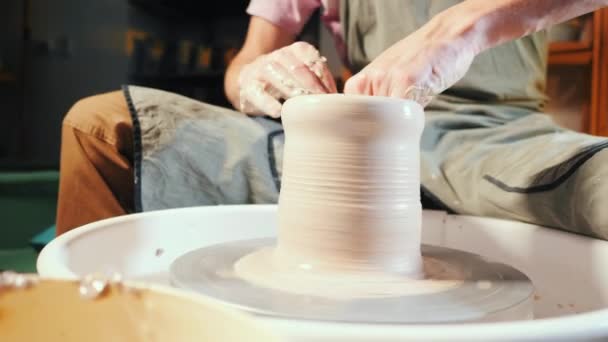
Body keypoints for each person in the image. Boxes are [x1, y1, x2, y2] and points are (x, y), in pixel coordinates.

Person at [56, 0, 608, 239]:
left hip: (494, 135)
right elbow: (242, 65)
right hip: (353, 137)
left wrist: (457, 31)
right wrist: (256, 79)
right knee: (102, 129)